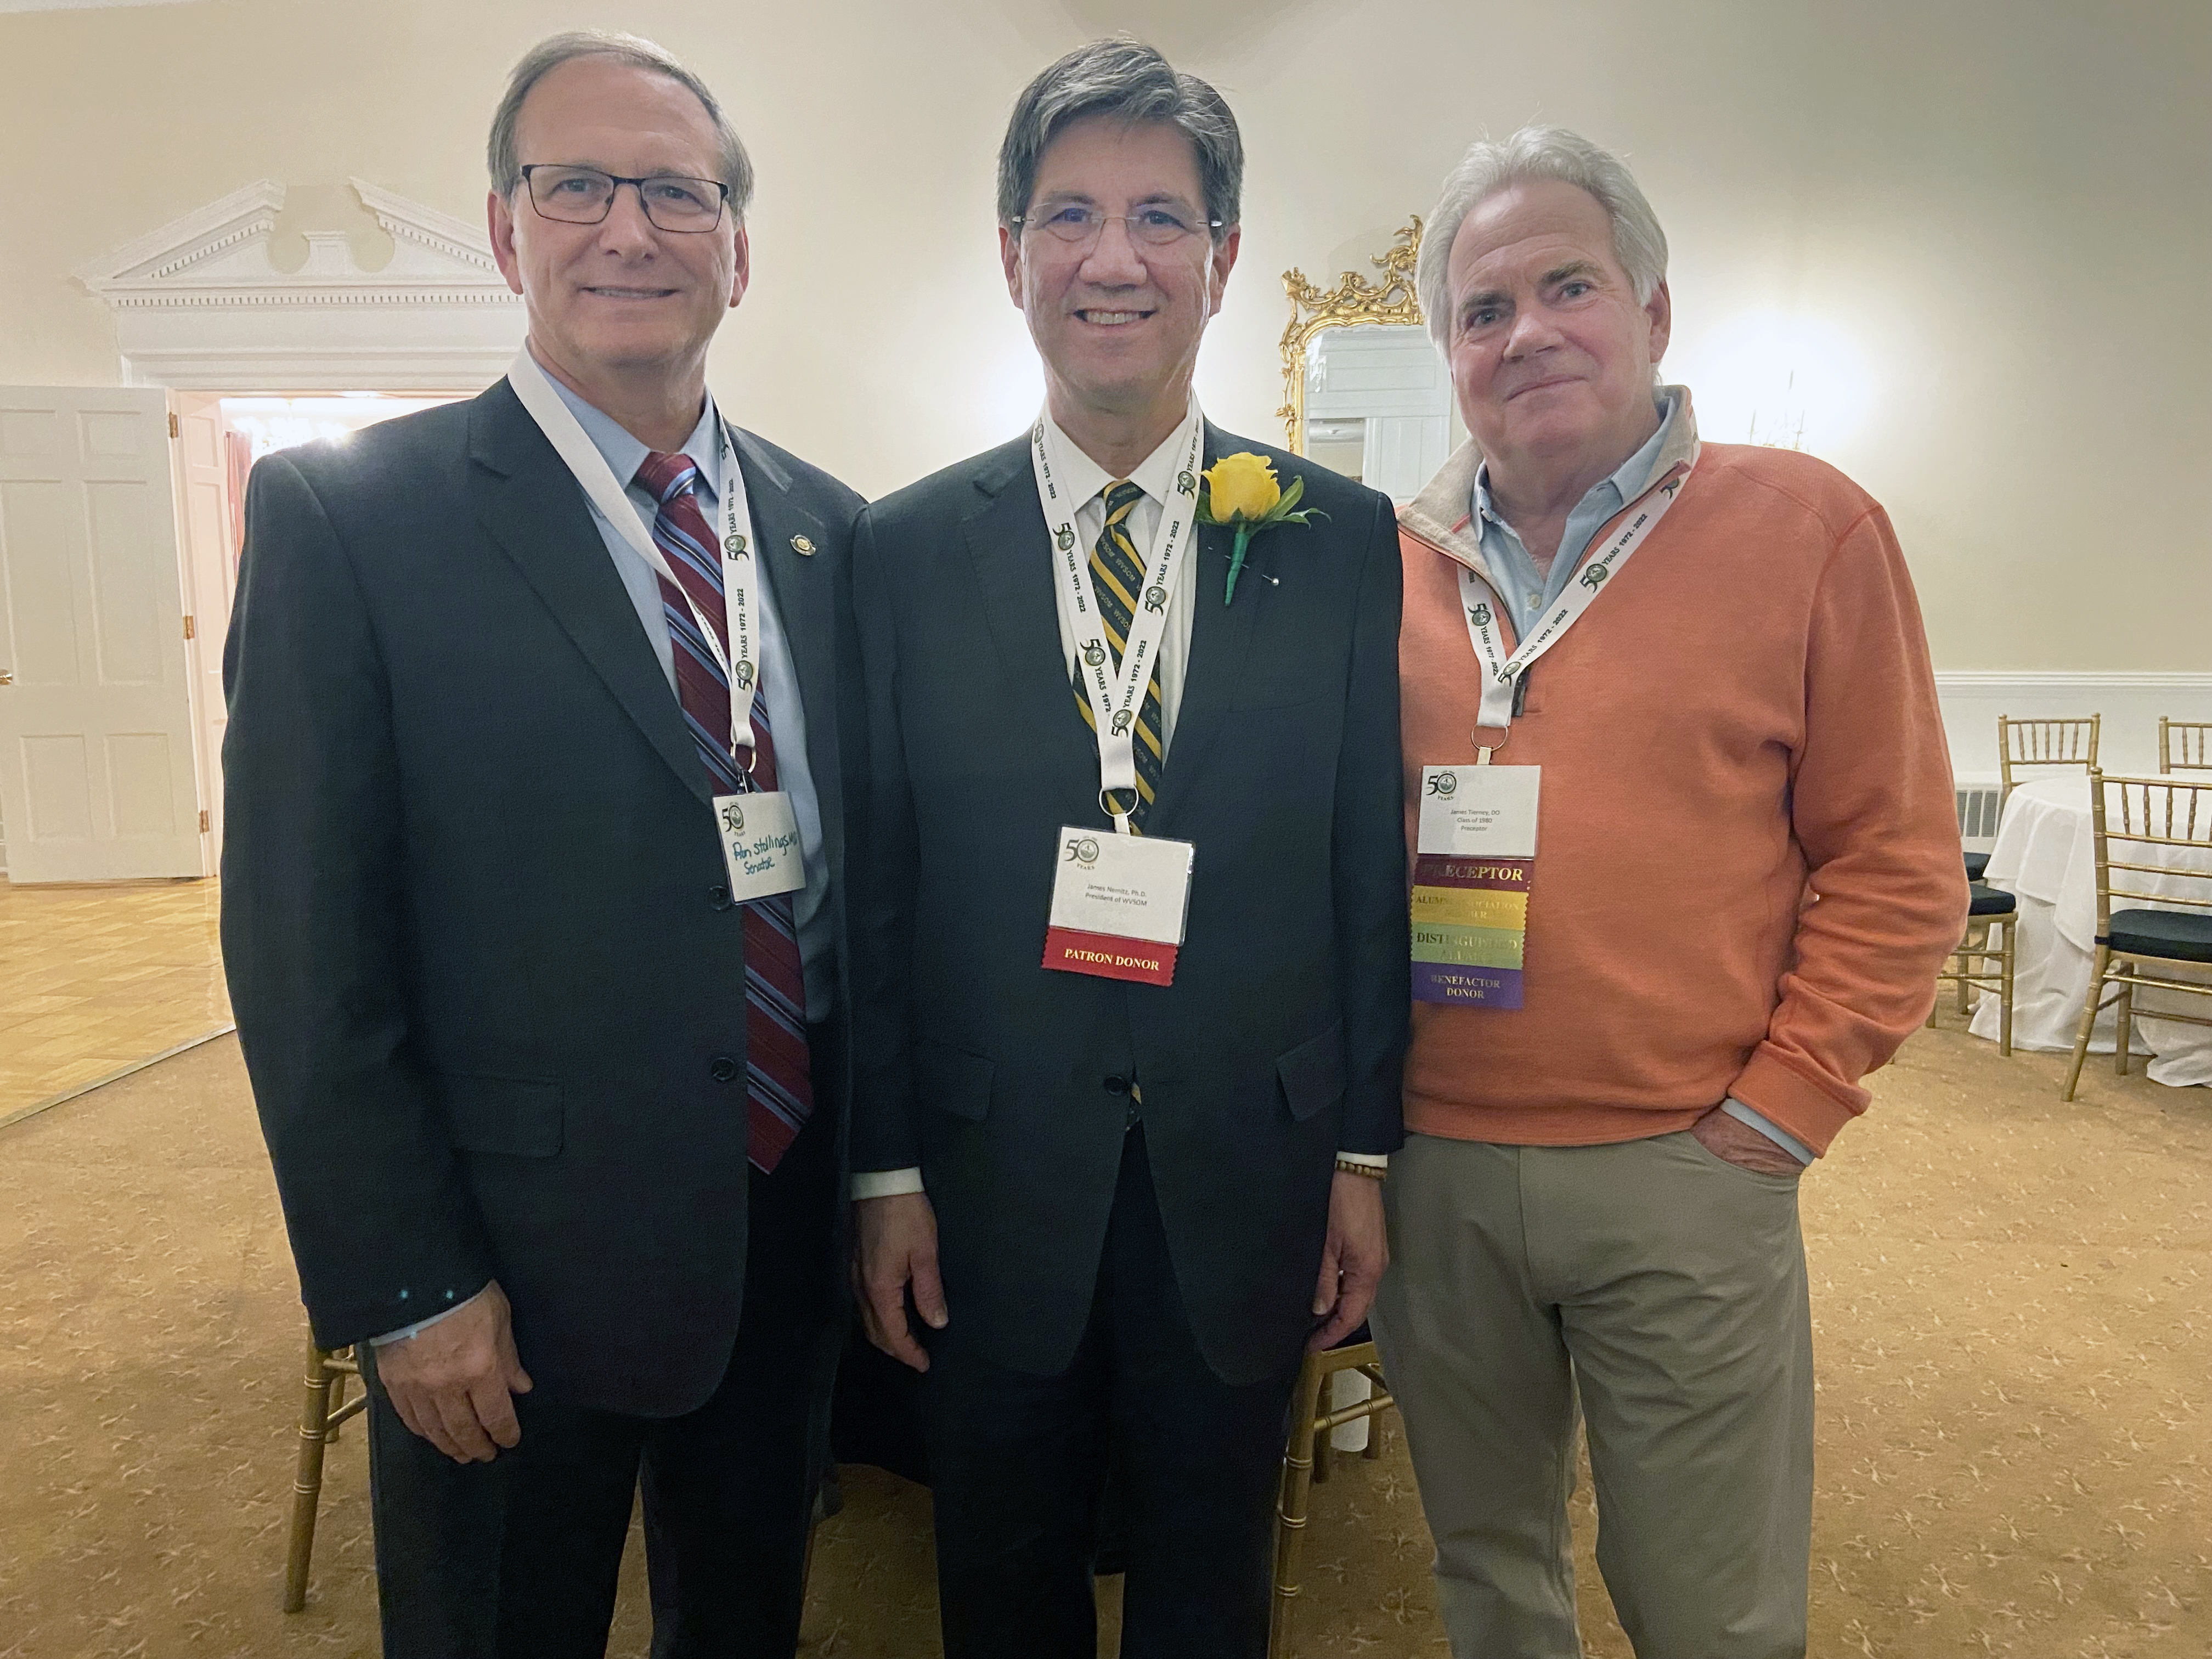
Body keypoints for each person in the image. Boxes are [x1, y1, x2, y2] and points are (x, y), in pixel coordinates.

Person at [220, 31, 861, 1658]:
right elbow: (306, 953)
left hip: (778, 1240)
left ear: (741, 244)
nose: (628, 229)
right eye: (576, 185)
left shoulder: (826, 527)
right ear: (506, 232)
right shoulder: (353, 520)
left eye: (676, 191)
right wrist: (405, 1285)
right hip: (504, 1280)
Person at [842, 37, 1408, 1659]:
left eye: (1161, 219)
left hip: (1250, 1163)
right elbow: (878, 893)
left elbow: (1364, 866)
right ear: (1009, 253)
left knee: (1212, 1584)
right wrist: (884, 1172)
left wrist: (1361, 1153)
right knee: (1000, 1579)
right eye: (1070, 215)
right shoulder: (900, 550)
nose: (1114, 259)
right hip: (985, 1170)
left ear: (1223, 262)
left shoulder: (1340, 539)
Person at [1373, 125, 1969, 1659]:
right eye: (1483, 311)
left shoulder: (1809, 528)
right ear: (1448, 353)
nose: (1528, 334)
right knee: (1488, 1579)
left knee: (1710, 1606)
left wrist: (1775, 1117)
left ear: (1653, 310)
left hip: (1684, 1165)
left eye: (1567, 285)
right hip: (1438, 1167)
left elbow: (1897, 861)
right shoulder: (1384, 568)